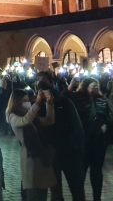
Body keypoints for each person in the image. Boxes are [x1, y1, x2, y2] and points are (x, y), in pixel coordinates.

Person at [35, 71, 85, 201]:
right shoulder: (38, 105)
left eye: (44, 81)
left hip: (70, 152)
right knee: (56, 194)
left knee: (77, 190)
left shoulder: (64, 101)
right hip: (52, 154)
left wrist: (78, 149)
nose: (41, 85)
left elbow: (77, 127)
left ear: (52, 83)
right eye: (38, 82)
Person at [65, 76, 113, 201]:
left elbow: (111, 114)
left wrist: (105, 124)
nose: (95, 89)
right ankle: (78, 197)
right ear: (85, 87)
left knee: (97, 170)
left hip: (98, 141)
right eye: (92, 87)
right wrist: (70, 87)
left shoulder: (102, 99)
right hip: (83, 141)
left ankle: (97, 197)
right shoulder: (77, 98)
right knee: (81, 171)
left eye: (96, 87)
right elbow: (64, 100)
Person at [6, 88, 56, 201]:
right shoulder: (13, 116)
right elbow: (25, 120)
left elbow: (49, 120)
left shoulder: (30, 116)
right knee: (34, 190)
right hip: (30, 157)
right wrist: (37, 103)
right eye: (24, 100)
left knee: (41, 189)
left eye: (28, 100)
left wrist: (49, 103)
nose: (28, 102)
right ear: (17, 101)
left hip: (40, 155)